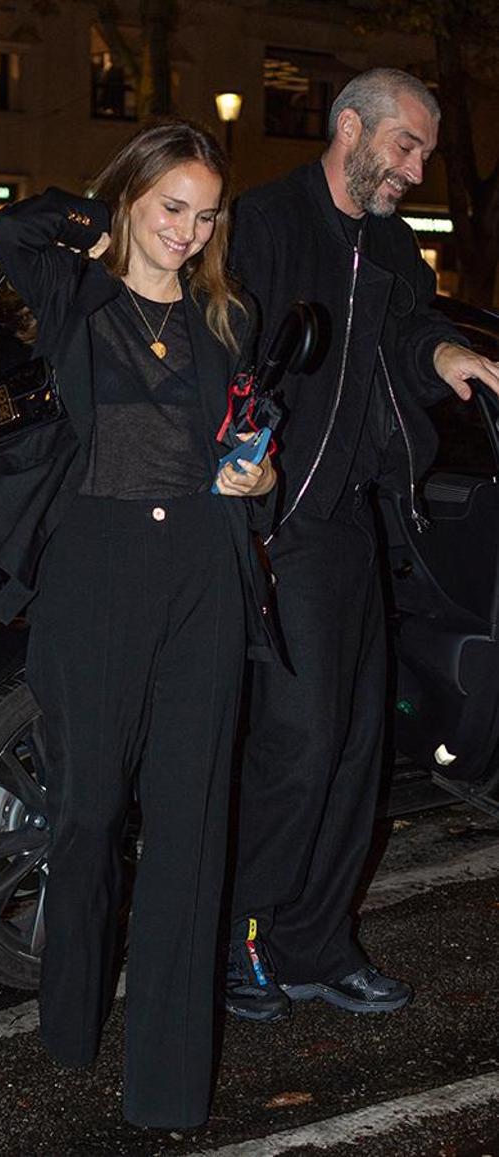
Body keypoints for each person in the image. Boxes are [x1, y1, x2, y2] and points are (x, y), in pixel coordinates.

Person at [0, 120, 276, 1128]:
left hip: (203, 573)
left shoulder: (228, 316)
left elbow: (246, 437)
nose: (187, 231)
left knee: (190, 825)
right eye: (172, 206)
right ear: (131, 197)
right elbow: (12, 228)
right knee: (86, 814)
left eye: (205, 215)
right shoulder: (74, 292)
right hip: (95, 575)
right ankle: (71, 1010)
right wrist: (108, 220)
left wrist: (259, 478)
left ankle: (168, 1085)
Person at [224, 68, 499, 1023]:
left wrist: (445, 352)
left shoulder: (390, 240)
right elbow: (224, 353)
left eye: (423, 152)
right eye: (405, 146)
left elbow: (409, 327)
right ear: (350, 127)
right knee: (299, 742)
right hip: (281, 518)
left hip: (356, 519)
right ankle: (241, 935)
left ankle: (317, 944)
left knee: (356, 746)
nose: (416, 169)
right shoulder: (266, 222)